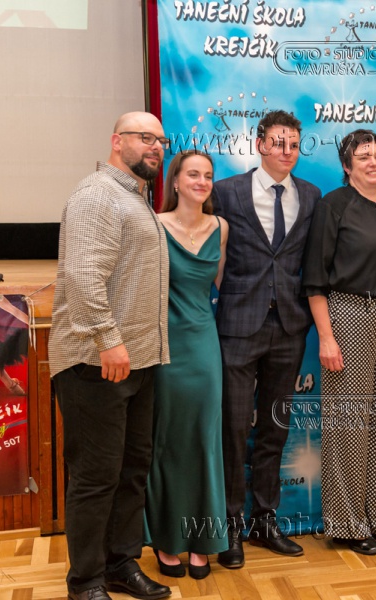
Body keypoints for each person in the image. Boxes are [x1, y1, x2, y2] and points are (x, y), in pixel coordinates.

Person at [49, 112, 171, 600]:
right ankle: (85, 581)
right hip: (95, 362)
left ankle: (121, 564)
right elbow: (83, 276)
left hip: (138, 361)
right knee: (96, 477)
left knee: (131, 470)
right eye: (145, 137)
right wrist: (107, 339)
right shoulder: (97, 195)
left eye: (161, 139)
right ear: (117, 142)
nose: (155, 146)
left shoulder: (136, 199)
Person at [212, 110, 322, 567]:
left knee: (275, 428)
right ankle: (229, 528)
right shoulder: (226, 191)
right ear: (259, 145)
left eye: (293, 144)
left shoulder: (311, 195)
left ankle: (265, 520)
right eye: (278, 143)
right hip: (237, 324)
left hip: (289, 327)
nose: (286, 151)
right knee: (234, 429)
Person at [301, 129, 376, 556]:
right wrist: (326, 337)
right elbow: (315, 279)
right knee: (350, 422)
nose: (373, 162)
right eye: (363, 156)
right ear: (347, 165)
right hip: (348, 314)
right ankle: (348, 525)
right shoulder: (333, 205)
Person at [144, 150, 229, 579]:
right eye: (193, 174)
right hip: (165, 347)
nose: (201, 181)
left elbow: (216, 285)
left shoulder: (221, 228)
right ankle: (166, 538)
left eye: (208, 175)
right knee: (169, 442)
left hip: (204, 346)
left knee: (204, 441)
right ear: (174, 181)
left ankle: (202, 540)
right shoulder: (153, 225)